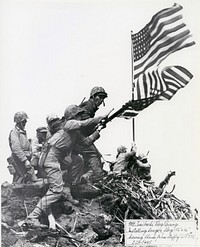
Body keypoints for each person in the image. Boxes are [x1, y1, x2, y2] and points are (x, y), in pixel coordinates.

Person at [25, 106, 104, 228]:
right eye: (78, 115)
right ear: (73, 116)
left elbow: (86, 143)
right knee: (56, 190)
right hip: (50, 158)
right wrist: (101, 118)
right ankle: (32, 217)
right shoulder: (69, 124)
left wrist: (98, 131)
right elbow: (85, 123)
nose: (80, 117)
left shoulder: (74, 132)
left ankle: (67, 189)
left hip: (58, 157)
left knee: (77, 160)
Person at [79, 86, 108, 182]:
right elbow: (84, 124)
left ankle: (88, 176)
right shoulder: (88, 106)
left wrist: (98, 126)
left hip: (81, 137)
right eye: (99, 97)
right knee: (93, 154)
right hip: (78, 137)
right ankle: (98, 176)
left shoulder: (91, 107)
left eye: (103, 98)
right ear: (93, 97)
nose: (101, 100)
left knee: (97, 155)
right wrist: (97, 123)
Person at [8, 111, 38, 184]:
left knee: (30, 179)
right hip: (18, 160)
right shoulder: (14, 132)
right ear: (19, 122)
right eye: (24, 121)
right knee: (20, 178)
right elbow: (16, 148)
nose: (26, 122)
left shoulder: (22, 132)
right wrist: (25, 160)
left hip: (25, 158)